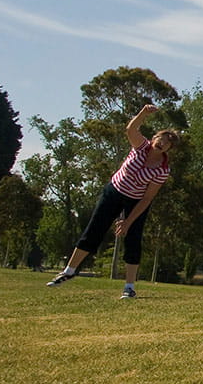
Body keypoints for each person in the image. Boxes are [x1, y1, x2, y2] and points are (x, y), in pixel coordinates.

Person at [47, 103, 182, 299]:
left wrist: (128, 222)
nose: (162, 143)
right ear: (154, 138)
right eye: (161, 139)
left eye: (167, 144)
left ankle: (129, 286)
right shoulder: (140, 146)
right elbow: (131, 129)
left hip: (136, 202)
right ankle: (69, 271)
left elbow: (147, 198)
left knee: (133, 240)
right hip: (114, 191)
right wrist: (143, 113)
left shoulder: (162, 169)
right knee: (94, 230)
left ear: (169, 149)